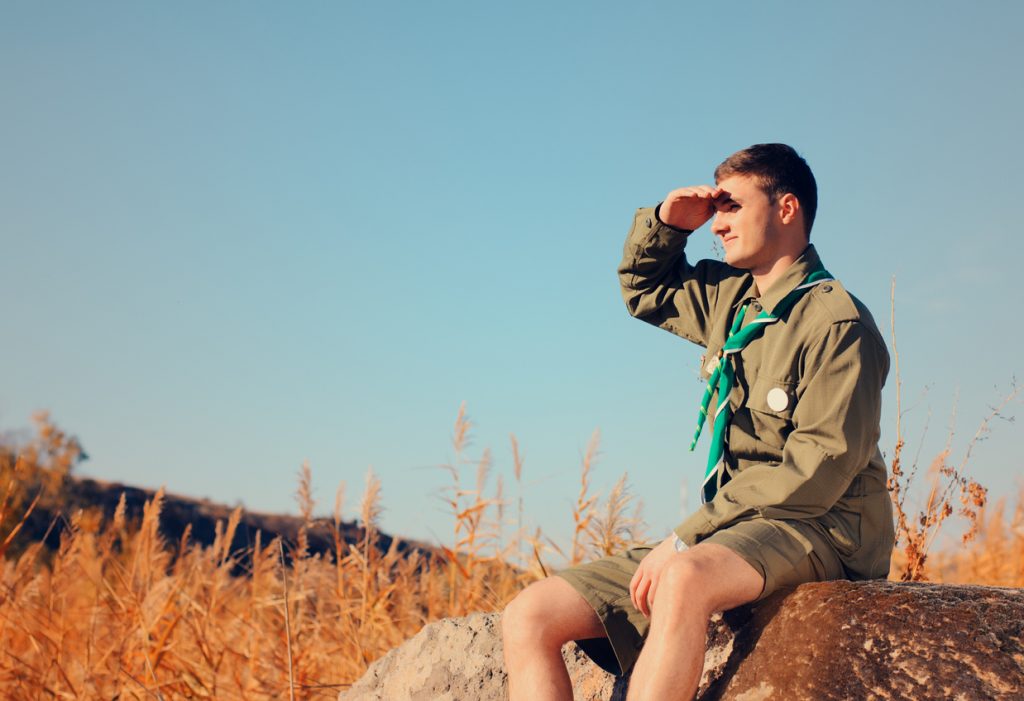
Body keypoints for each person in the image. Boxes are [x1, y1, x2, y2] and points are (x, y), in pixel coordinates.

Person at [500, 143, 895, 701]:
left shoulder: (837, 323)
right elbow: (645, 290)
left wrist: (685, 540)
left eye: (731, 207)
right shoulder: (733, 300)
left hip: (824, 527)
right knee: (529, 614)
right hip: (739, 526)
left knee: (682, 579)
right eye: (716, 211)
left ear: (786, 209)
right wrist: (667, 225)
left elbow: (819, 468)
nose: (719, 225)